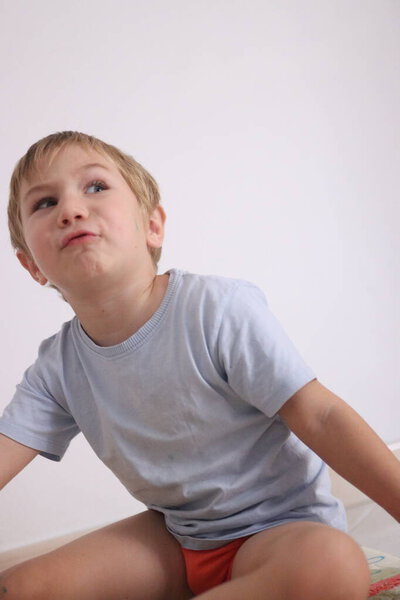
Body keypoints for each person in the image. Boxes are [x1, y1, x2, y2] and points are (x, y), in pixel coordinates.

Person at [0, 131, 398, 600]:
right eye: (44, 203)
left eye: (94, 187)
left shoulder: (216, 309)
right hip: (179, 537)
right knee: (19, 587)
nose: (71, 209)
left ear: (153, 226)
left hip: (280, 532)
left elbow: (320, 414)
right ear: (32, 266)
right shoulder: (58, 368)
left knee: (332, 567)